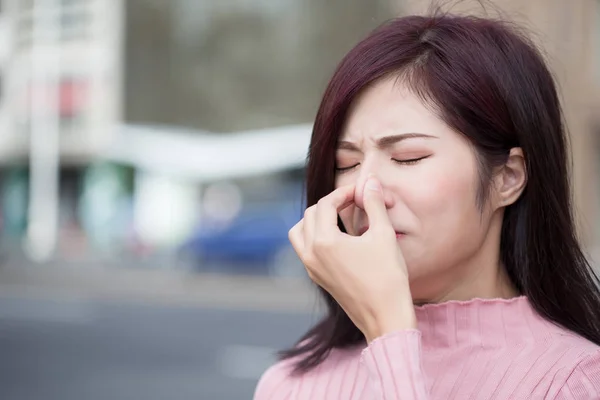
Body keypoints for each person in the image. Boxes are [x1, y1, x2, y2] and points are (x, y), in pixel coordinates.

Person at [254, 9, 600, 400]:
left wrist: (390, 336)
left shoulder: (575, 381)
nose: (367, 191)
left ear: (508, 177)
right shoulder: (291, 384)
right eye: (345, 164)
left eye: (407, 158)